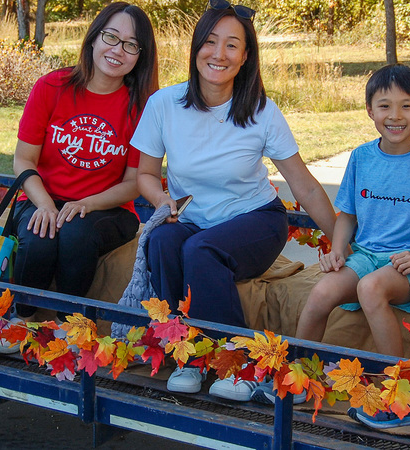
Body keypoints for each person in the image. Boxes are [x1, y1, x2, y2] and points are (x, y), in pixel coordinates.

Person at [126, 0, 337, 398]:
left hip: (255, 220)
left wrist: (343, 243)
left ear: (245, 57)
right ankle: (187, 356)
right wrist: (162, 201)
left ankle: (239, 366)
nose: (218, 54)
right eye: (210, 42)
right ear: (195, 48)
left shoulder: (261, 111)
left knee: (200, 250)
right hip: (190, 217)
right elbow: (147, 175)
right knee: (164, 240)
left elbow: (304, 186)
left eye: (232, 46)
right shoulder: (164, 105)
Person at [294, 63, 410, 426]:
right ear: (370, 110)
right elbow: (348, 216)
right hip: (366, 255)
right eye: (385, 105)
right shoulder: (361, 157)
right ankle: (301, 377)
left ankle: (396, 396)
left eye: (407, 105)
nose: (395, 115)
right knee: (321, 293)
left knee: (371, 288)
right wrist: (339, 249)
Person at [11, 2, 159, 322]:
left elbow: (135, 182)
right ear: (93, 37)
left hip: (108, 210)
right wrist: (46, 205)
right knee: (41, 235)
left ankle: (72, 326)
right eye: (111, 36)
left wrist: (87, 204)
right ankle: (19, 320)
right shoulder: (51, 87)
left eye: (131, 44)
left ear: (140, 55)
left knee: (76, 232)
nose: (118, 50)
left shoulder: (142, 107)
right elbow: (24, 159)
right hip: (41, 197)